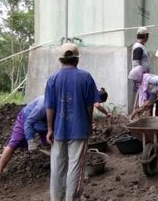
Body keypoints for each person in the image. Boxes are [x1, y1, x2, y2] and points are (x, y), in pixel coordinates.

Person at [44, 42, 101, 201]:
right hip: (80, 129)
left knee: (57, 167)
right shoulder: (86, 77)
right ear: (77, 59)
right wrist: (89, 124)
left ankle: (57, 198)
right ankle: (72, 199)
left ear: (60, 60)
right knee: (75, 167)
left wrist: (49, 129)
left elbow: (49, 107)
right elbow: (90, 106)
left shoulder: (52, 79)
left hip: (58, 130)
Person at [0, 95, 47, 176]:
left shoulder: (61, 104)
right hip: (26, 119)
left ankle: (56, 162)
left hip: (43, 123)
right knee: (15, 142)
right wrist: (30, 140)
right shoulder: (42, 106)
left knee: (50, 142)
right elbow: (28, 123)